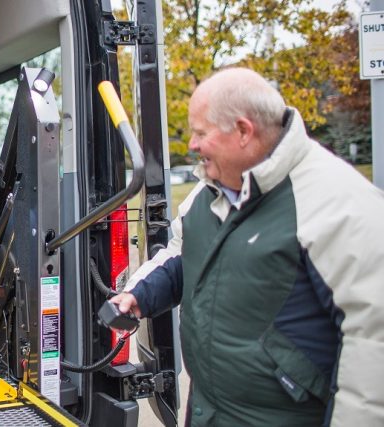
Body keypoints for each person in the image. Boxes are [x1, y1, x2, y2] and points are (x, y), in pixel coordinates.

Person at [111, 67, 384, 426]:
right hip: (210, 414)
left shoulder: (340, 204)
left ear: (243, 130)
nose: (192, 145)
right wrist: (141, 294)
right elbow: (182, 253)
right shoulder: (209, 191)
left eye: (200, 133)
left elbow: (373, 343)